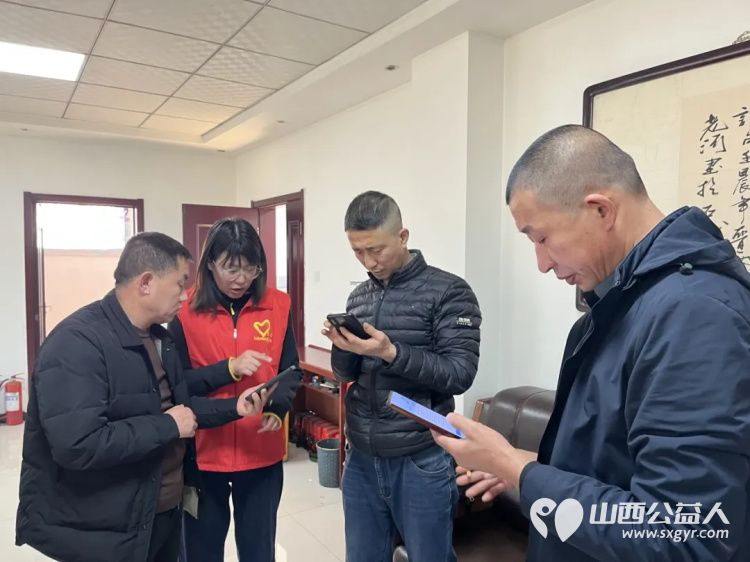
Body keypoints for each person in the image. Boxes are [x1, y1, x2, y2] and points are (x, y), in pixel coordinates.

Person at [434, 125, 750, 561]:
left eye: (541, 238)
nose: (542, 263)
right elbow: (617, 464)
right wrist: (521, 467)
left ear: (601, 210)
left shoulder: (695, 314)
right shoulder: (620, 308)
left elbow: (684, 534)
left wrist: (518, 470)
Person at [16, 232, 272, 562]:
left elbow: (181, 409)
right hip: (107, 527)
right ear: (146, 283)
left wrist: (234, 407)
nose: (184, 295)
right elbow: (77, 445)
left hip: (158, 513)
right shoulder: (77, 343)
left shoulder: (159, 339)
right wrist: (167, 426)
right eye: (179, 283)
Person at [322, 191, 481, 562]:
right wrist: (342, 346)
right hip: (361, 456)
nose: (369, 262)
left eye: (376, 249)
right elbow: (346, 374)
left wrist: (390, 352)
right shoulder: (359, 297)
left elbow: (459, 374)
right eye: (358, 252)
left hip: (421, 457)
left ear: (403, 236)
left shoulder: (450, 291)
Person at [170, 217, 300, 562]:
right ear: (211, 263)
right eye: (231, 268)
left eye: (250, 268)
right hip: (203, 454)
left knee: (258, 550)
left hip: (261, 451)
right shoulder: (184, 310)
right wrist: (229, 368)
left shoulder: (278, 305)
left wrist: (278, 409)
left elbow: (290, 370)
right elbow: (177, 384)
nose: (242, 279)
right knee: (200, 550)